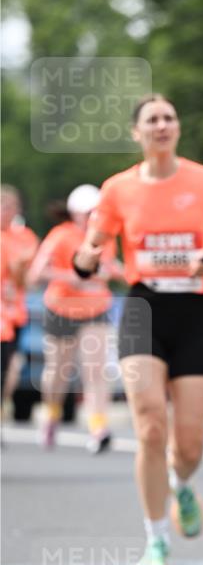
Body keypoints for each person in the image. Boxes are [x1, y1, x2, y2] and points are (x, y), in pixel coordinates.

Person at [73, 95, 203, 565]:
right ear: (137, 133)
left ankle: (180, 483)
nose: (162, 125)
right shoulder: (118, 189)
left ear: (177, 129)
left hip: (195, 311)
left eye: (169, 118)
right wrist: (85, 258)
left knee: (189, 444)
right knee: (148, 424)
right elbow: (93, 246)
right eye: (152, 120)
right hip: (144, 307)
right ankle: (155, 543)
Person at [28, 185, 121, 451]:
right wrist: (72, 278)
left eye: (97, 211)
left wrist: (115, 273)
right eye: (88, 212)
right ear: (75, 214)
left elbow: (108, 268)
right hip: (62, 308)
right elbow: (37, 273)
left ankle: (98, 427)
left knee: (95, 368)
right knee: (59, 370)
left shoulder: (106, 237)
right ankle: (51, 414)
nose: (93, 216)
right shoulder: (60, 236)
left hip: (95, 309)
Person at [0, 186, 39, 413]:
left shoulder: (25, 237)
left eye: (10, 207)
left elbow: (28, 281)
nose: (6, 212)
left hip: (13, 314)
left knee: (11, 366)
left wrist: (18, 269)